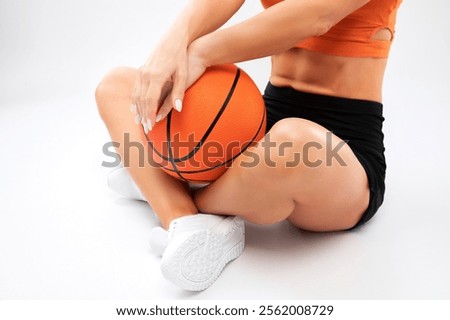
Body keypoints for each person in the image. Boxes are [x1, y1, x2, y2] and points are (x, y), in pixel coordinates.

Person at [95, 0, 403, 291]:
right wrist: (173, 42)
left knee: (292, 143)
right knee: (116, 87)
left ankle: (167, 185)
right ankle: (183, 220)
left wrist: (199, 52)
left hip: (345, 150)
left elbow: (316, 15)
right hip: (263, 123)